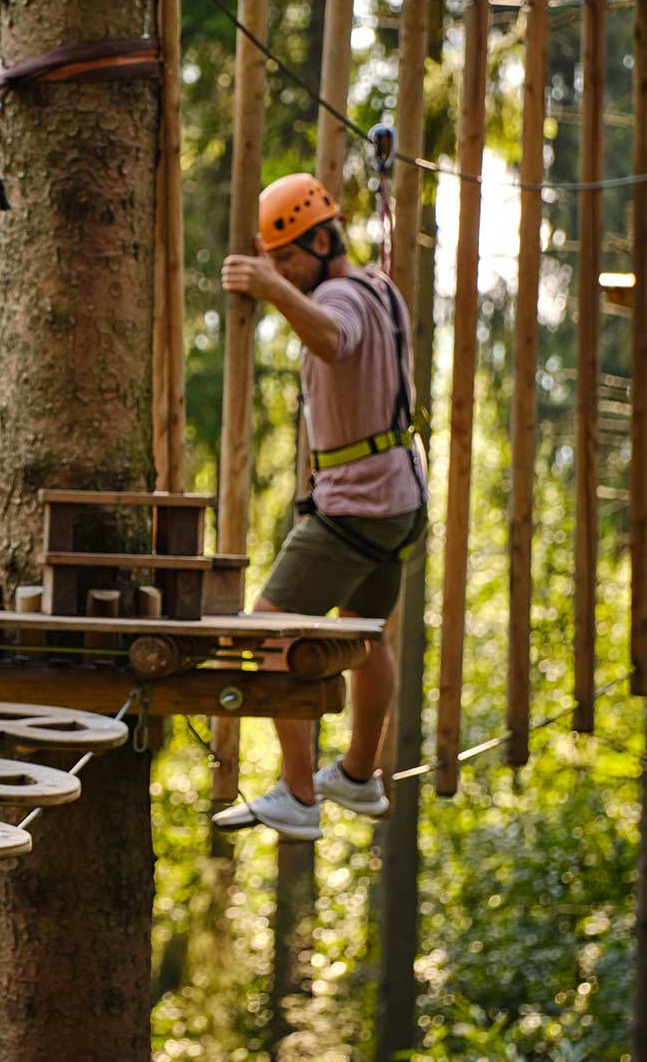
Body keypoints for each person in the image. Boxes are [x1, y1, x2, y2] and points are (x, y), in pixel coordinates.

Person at [211, 172, 427, 842]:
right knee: (365, 633)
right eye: (275, 263)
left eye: (288, 260)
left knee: (268, 630)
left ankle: (299, 795)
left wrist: (268, 289)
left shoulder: (340, 295)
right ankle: (358, 777)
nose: (283, 273)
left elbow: (333, 339)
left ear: (324, 240)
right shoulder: (378, 288)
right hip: (397, 500)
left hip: (357, 507)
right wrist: (280, 283)